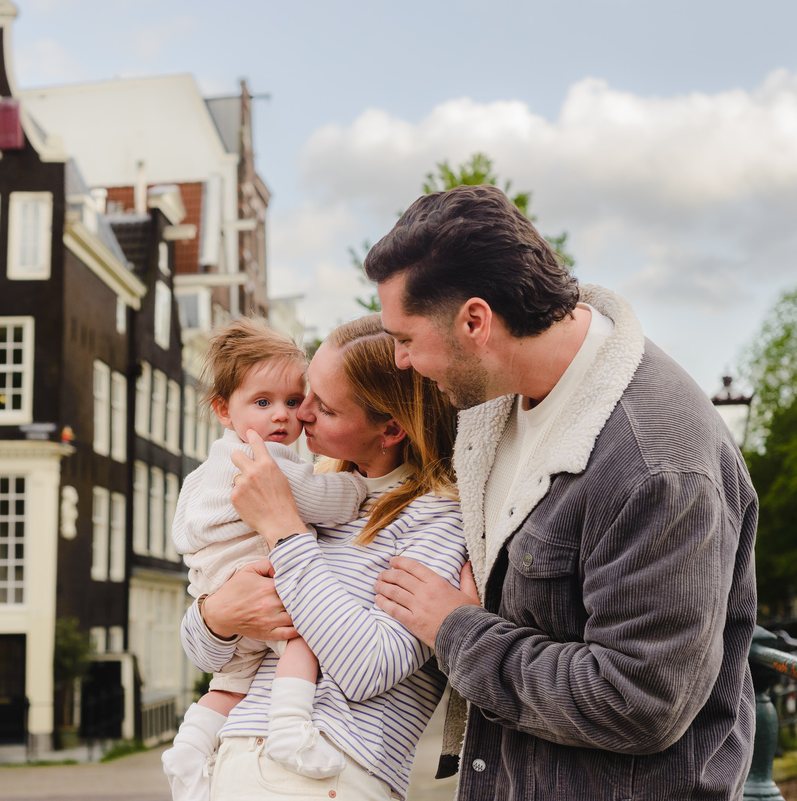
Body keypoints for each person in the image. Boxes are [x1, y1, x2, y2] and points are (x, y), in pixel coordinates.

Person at [367, 184, 758, 800]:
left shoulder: (658, 467)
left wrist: (458, 630)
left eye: (406, 338)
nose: (399, 361)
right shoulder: (494, 394)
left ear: (475, 321)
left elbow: (640, 700)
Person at [180, 314, 470, 801]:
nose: (300, 414)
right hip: (235, 760)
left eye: (324, 407)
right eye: (305, 392)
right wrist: (215, 616)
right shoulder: (310, 490)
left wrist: (284, 529)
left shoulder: (436, 520)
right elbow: (208, 656)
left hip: (328, 770)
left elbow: (367, 668)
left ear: (391, 428)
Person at [162, 318, 369, 801]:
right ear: (223, 410)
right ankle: (290, 728)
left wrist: (208, 585)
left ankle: (190, 748)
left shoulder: (208, 465)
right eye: (262, 402)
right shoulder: (262, 460)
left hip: (216, 580)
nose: (281, 416)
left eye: (293, 401)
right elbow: (326, 501)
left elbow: (182, 528)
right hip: (251, 578)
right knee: (305, 636)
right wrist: (358, 485)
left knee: (231, 681)